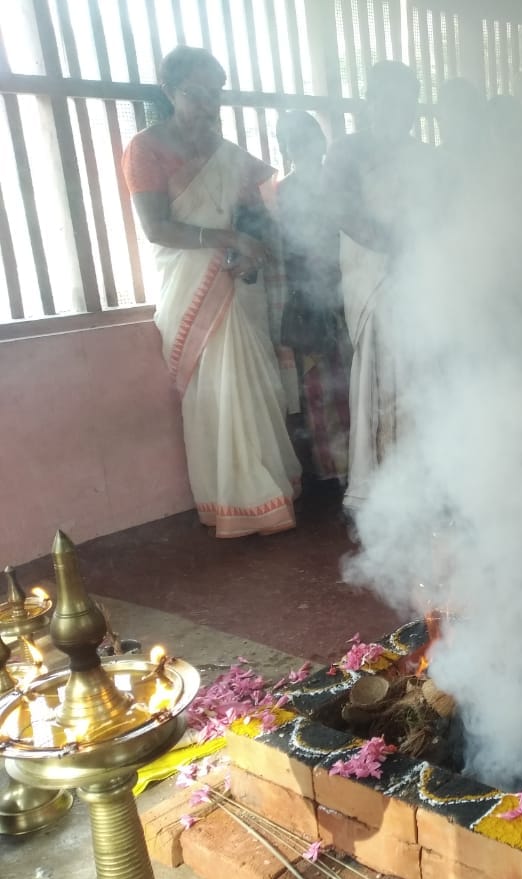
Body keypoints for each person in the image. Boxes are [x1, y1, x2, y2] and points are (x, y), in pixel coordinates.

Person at [123, 46, 301, 537]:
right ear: (169, 92)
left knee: (254, 386)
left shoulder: (226, 152)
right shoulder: (146, 148)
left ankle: (269, 489)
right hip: (189, 286)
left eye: (214, 95)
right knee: (217, 394)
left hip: (237, 283)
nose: (206, 105)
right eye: (194, 95)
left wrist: (253, 247)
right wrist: (224, 239)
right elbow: (157, 228)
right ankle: (235, 502)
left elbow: (262, 210)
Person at [324, 61, 434, 512]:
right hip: (372, 276)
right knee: (380, 374)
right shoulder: (347, 153)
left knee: (420, 377)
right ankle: (380, 489)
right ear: (370, 101)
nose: (398, 110)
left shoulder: (426, 156)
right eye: (388, 99)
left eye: (407, 102)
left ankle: (423, 480)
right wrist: (398, 245)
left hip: (422, 277)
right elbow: (343, 213)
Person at [275, 111, 351, 486]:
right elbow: (293, 251)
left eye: (307, 138)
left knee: (351, 383)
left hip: (346, 290)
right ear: (286, 149)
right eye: (295, 141)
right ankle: (338, 471)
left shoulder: (337, 183)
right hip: (314, 298)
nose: (303, 148)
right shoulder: (288, 191)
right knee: (323, 389)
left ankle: (356, 468)